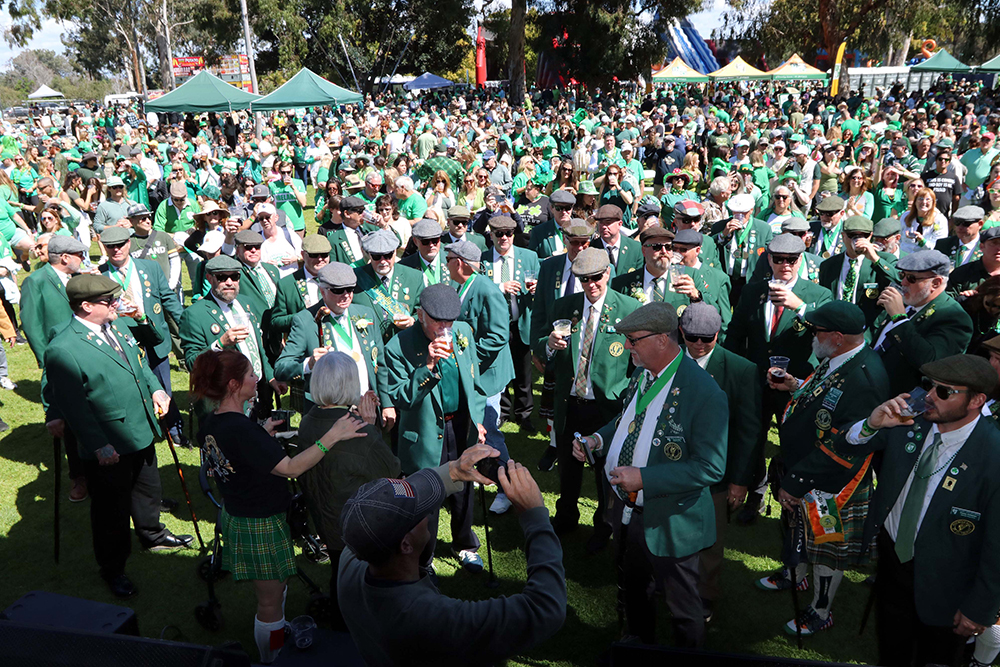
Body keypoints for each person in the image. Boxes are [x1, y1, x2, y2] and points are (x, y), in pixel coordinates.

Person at [192, 349, 365, 663]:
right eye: (250, 374)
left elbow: (235, 453)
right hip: (259, 522)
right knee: (270, 605)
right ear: (233, 385)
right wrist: (332, 436)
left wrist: (262, 434)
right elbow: (291, 468)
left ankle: (274, 640)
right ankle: (272, 657)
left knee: (274, 594)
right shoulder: (242, 430)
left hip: (239, 514)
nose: (256, 378)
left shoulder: (213, 422)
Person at [575, 301, 727, 648]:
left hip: (671, 520)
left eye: (633, 340)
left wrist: (645, 478)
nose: (626, 346)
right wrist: (598, 439)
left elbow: (710, 466)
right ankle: (638, 644)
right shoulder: (643, 374)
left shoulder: (704, 392)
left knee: (682, 606)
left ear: (661, 339)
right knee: (635, 587)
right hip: (629, 511)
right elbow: (628, 419)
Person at [834, 355, 1000, 666]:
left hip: (948, 587)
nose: (929, 396)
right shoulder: (907, 422)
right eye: (929, 385)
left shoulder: (993, 454)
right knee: (891, 654)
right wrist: (871, 424)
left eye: (944, 391)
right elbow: (843, 447)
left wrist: (980, 608)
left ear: (977, 400)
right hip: (893, 565)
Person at [337, 446, 566, 666]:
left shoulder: (351, 562)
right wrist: (534, 517)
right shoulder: (433, 620)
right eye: (420, 511)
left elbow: (387, 509)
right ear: (405, 545)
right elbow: (545, 609)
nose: (429, 511)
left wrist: (453, 471)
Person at [44, 275, 193, 599]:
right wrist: (99, 445)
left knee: (148, 489)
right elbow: (74, 407)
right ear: (86, 306)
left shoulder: (119, 326)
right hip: (108, 441)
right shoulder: (63, 349)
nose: (117, 304)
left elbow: (141, 367)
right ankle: (113, 568)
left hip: (140, 429)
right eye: (110, 300)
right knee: (111, 511)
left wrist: (156, 390)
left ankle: (152, 534)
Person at [761, 301, 890, 635]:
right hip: (806, 467)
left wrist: (797, 481)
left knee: (827, 547)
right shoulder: (839, 358)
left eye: (816, 331)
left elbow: (847, 444)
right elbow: (825, 396)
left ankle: (821, 611)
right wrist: (795, 386)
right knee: (800, 531)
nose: (811, 337)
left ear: (836, 337)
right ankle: (796, 575)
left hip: (832, 481)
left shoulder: (865, 379)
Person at [725, 233, 833, 524]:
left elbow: (829, 332)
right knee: (752, 439)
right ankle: (755, 495)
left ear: (801, 260)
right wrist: (732, 372)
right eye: (779, 259)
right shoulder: (753, 291)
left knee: (794, 443)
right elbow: (736, 333)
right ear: (769, 259)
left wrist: (800, 307)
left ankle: (792, 498)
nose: (785, 265)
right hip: (757, 381)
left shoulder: (817, 294)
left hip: (796, 385)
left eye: (792, 260)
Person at [383, 283, 488, 574]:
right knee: (427, 496)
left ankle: (464, 544)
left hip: (461, 425)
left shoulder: (463, 332)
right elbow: (402, 398)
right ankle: (423, 558)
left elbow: (475, 384)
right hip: (425, 434)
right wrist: (428, 366)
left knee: (464, 488)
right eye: (438, 322)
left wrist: (478, 420)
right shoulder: (398, 346)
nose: (445, 329)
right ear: (420, 315)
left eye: (449, 322)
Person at [543, 247, 639, 550]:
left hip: (605, 407)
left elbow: (638, 359)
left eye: (596, 277)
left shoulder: (628, 308)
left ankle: (604, 524)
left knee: (604, 471)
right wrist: (548, 344)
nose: (591, 284)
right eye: (584, 279)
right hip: (570, 403)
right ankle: (566, 516)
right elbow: (541, 346)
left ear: (608, 273)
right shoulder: (564, 306)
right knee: (567, 468)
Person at [679, 303, 759, 623]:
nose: (699, 345)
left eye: (707, 338)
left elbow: (749, 431)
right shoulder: (667, 360)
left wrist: (740, 481)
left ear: (719, 334)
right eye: (692, 338)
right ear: (681, 332)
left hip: (716, 475)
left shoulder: (741, 370)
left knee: (709, 538)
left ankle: (705, 594)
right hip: (670, 468)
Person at [98, 226, 187, 443]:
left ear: (129, 243)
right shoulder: (99, 275)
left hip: (154, 335)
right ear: (104, 248)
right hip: (122, 340)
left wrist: (186, 325)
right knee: (133, 386)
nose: (116, 250)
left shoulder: (150, 267)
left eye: (120, 245)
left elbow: (167, 298)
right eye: (111, 246)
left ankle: (173, 427)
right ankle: (144, 428)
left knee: (163, 384)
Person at [446, 239, 515, 512]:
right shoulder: (463, 286)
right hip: (475, 374)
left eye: (448, 259)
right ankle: (478, 473)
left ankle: (507, 486)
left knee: (489, 432)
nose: (445, 264)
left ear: (459, 263)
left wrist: (466, 358)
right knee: (476, 430)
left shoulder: (486, 289)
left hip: (487, 377)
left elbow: (498, 335)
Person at [274, 262, 392, 422]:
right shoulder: (305, 320)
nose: (346, 295)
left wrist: (387, 404)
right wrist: (309, 364)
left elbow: (381, 363)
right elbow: (281, 368)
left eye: (350, 289)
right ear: (322, 291)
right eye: (338, 290)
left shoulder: (366, 314)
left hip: (368, 408)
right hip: (330, 416)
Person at [179, 255, 285, 420]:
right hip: (224, 400)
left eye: (234, 276)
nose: (229, 282)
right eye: (222, 277)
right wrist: (220, 343)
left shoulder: (247, 304)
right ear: (210, 278)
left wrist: (271, 377)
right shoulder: (194, 314)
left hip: (257, 393)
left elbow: (258, 347)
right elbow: (193, 363)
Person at [871, 249, 973, 396]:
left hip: (898, 398)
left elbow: (931, 363)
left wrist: (900, 319)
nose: (903, 282)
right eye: (902, 275)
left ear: (936, 283)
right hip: (871, 386)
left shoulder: (954, 317)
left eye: (911, 278)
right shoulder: (910, 301)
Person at [480, 215, 540, 432]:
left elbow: (540, 284)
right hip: (495, 326)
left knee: (524, 373)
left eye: (508, 234)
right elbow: (479, 288)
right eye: (499, 234)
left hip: (520, 321)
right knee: (500, 370)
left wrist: (535, 288)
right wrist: (500, 287)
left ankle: (524, 414)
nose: (504, 238)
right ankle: (503, 412)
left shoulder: (529, 256)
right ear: (491, 235)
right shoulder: (483, 259)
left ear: (514, 235)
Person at [818, 215, 900, 339]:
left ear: (870, 236)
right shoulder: (829, 265)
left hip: (866, 331)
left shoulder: (884, 260)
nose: (858, 240)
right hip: (836, 329)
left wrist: (874, 258)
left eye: (864, 236)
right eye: (853, 235)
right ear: (843, 236)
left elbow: (899, 280)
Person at [351, 229, 424, 343]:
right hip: (368, 344)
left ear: (395, 252)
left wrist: (412, 320)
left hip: (402, 344)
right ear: (369, 254)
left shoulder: (414, 277)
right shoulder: (354, 278)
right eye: (377, 256)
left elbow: (424, 312)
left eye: (388, 255)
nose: (383, 261)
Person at [710, 193, 773, 304]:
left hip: (749, 279)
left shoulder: (764, 228)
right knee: (725, 311)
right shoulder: (720, 226)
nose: (740, 216)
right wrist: (723, 234)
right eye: (736, 212)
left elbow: (769, 256)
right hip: (727, 278)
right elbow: (709, 247)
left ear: (751, 210)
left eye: (743, 212)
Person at [270, 234, 330, 339]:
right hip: (304, 340)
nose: (320, 259)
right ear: (303, 255)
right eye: (314, 255)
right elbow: (276, 321)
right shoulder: (287, 284)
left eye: (324, 255)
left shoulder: (340, 278)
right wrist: (305, 316)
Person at [589, 204, 643, 276]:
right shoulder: (591, 248)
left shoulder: (635, 248)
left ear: (620, 224)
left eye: (608, 223)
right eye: (601, 223)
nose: (604, 226)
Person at [399, 218, 447, 286]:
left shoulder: (453, 263)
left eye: (435, 240)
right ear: (415, 241)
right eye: (425, 241)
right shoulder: (404, 267)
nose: (431, 245)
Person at [936, 205, 984, 271]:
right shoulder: (943, 245)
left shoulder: (987, 246)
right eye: (957, 223)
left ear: (980, 224)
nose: (960, 227)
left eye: (966, 223)